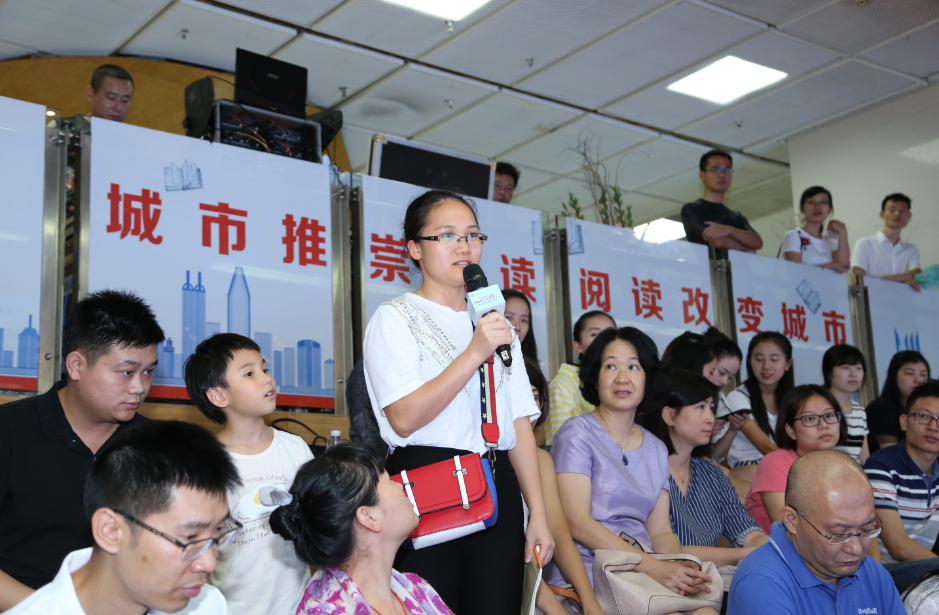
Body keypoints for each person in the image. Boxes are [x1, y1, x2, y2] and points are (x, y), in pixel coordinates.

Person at [362, 189, 553, 615]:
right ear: (415, 248)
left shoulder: (494, 323)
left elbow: (519, 423)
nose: (464, 246)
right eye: (447, 235)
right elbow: (404, 418)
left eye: (472, 235)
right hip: (426, 482)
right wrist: (474, 353)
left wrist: (537, 513)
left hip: (497, 483)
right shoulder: (395, 317)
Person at [0, 290, 164, 610]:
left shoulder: (157, 445)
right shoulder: (8, 430)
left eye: (148, 371)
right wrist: (53, 610)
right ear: (76, 365)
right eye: (127, 372)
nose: (140, 387)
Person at [548, 327, 715, 604]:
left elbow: (660, 532)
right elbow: (577, 523)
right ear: (595, 377)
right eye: (610, 366)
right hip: (589, 572)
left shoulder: (657, 448)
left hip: (643, 571)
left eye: (633, 367)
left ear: (648, 378)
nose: (622, 378)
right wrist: (654, 567)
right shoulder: (576, 433)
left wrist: (675, 567)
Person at [7, 420, 240, 615]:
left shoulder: (206, 605)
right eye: (189, 538)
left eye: (218, 533)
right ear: (111, 531)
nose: (209, 563)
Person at [183, 333, 313, 615]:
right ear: (219, 396)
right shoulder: (205, 464)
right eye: (250, 373)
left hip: (297, 605)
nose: (267, 378)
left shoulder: (295, 448)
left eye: (265, 369)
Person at [269, 443, 453, 615]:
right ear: (369, 517)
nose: (400, 485)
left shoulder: (417, 588)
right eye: (389, 480)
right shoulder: (327, 610)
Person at [727, 450, 904, 615]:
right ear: (792, 520)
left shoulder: (873, 573)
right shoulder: (761, 582)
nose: (856, 549)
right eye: (839, 534)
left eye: (866, 530)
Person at [642, 368, 767, 565]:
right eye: (700, 407)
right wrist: (744, 555)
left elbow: (746, 531)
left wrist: (769, 547)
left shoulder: (712, 473)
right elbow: (668, 550)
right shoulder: (644, 471)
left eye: (711, 408)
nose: (710, 418)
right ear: (669, 415)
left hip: (709, 576)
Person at [525, 358, 605, 615]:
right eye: (519, 394)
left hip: (540, 587)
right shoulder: (487, 461)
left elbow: (559, 534)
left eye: (535, 396)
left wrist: (590, 602)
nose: (528, 406)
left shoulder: (541, 460)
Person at [863, 380, 939, 593]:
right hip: (885, 574)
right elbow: (898, 547)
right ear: (904, 422)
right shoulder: (881, 466)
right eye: (923, 416)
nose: (933, 426)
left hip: (927, 568)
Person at [745, 385, 846, 533]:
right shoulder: (775, 463)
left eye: (830, 415)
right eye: (810, 418)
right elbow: (789, 529)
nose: (824, 425)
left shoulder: (845, 466)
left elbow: (865, 524)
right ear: (790, 430)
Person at [723, 332, 794, 482]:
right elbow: (766, 447)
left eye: (774, 359)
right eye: (759, 359)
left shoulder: (793, 398)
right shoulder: (737, 397)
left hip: (784, 466)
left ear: (788, 364)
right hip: (749, 467)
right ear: (749, 362)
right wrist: (802, 466)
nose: (766, 366)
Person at [544, 311, 616, 446]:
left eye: (610, 335)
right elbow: (565, 446)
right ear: (578, 346)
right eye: (595, 334)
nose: (604, 341)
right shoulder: (563, 385)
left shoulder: (617, 381)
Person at [681, 150, 763, 252]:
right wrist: (747, 247)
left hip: (737, 263)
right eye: (716, 169)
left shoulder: (736, 216)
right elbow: (717, 241)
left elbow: (757, 242)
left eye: (727, 170)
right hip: (711, 263)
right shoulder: (692, 209)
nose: (722, 174)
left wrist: (728, 230)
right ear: (702, 175)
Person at [852, 193, 921, 291]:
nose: (897, 214)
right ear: (882, 214)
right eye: (892, 210)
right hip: (872, 298)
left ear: (909, 216)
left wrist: (884, 279)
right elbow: (857, 280)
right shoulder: (865, 243)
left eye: (902, 210)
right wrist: (902, 281)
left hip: (902, 299)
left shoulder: (911, 249)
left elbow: (916, 274)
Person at [867, 351, 930, 453]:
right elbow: (891, 453)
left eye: (923, 375)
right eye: (909, 373)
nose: (918, 380)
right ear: (894, 375)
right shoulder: (880, 408)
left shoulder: (929, 410)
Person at [781, 186, 849, 272]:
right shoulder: (794, 235)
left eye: (823, 202)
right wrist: (831, 266)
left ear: (829, 209)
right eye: (811, 202)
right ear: (802, 209)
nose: (817, 206)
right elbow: (796, 271)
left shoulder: (831, 243)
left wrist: (843, 232)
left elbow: (843, 266)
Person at [822, 344, 870, 462]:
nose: (853, 374)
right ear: (829, 372)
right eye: (845, 367)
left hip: (855, 472)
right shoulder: (818, 408)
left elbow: (864, 457)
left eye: (858, 368)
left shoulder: (859, 410)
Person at [503, 288, 538, 363]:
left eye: (523, 320)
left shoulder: (530, 367)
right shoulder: (480, 362)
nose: (517, 327)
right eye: (509, 317)